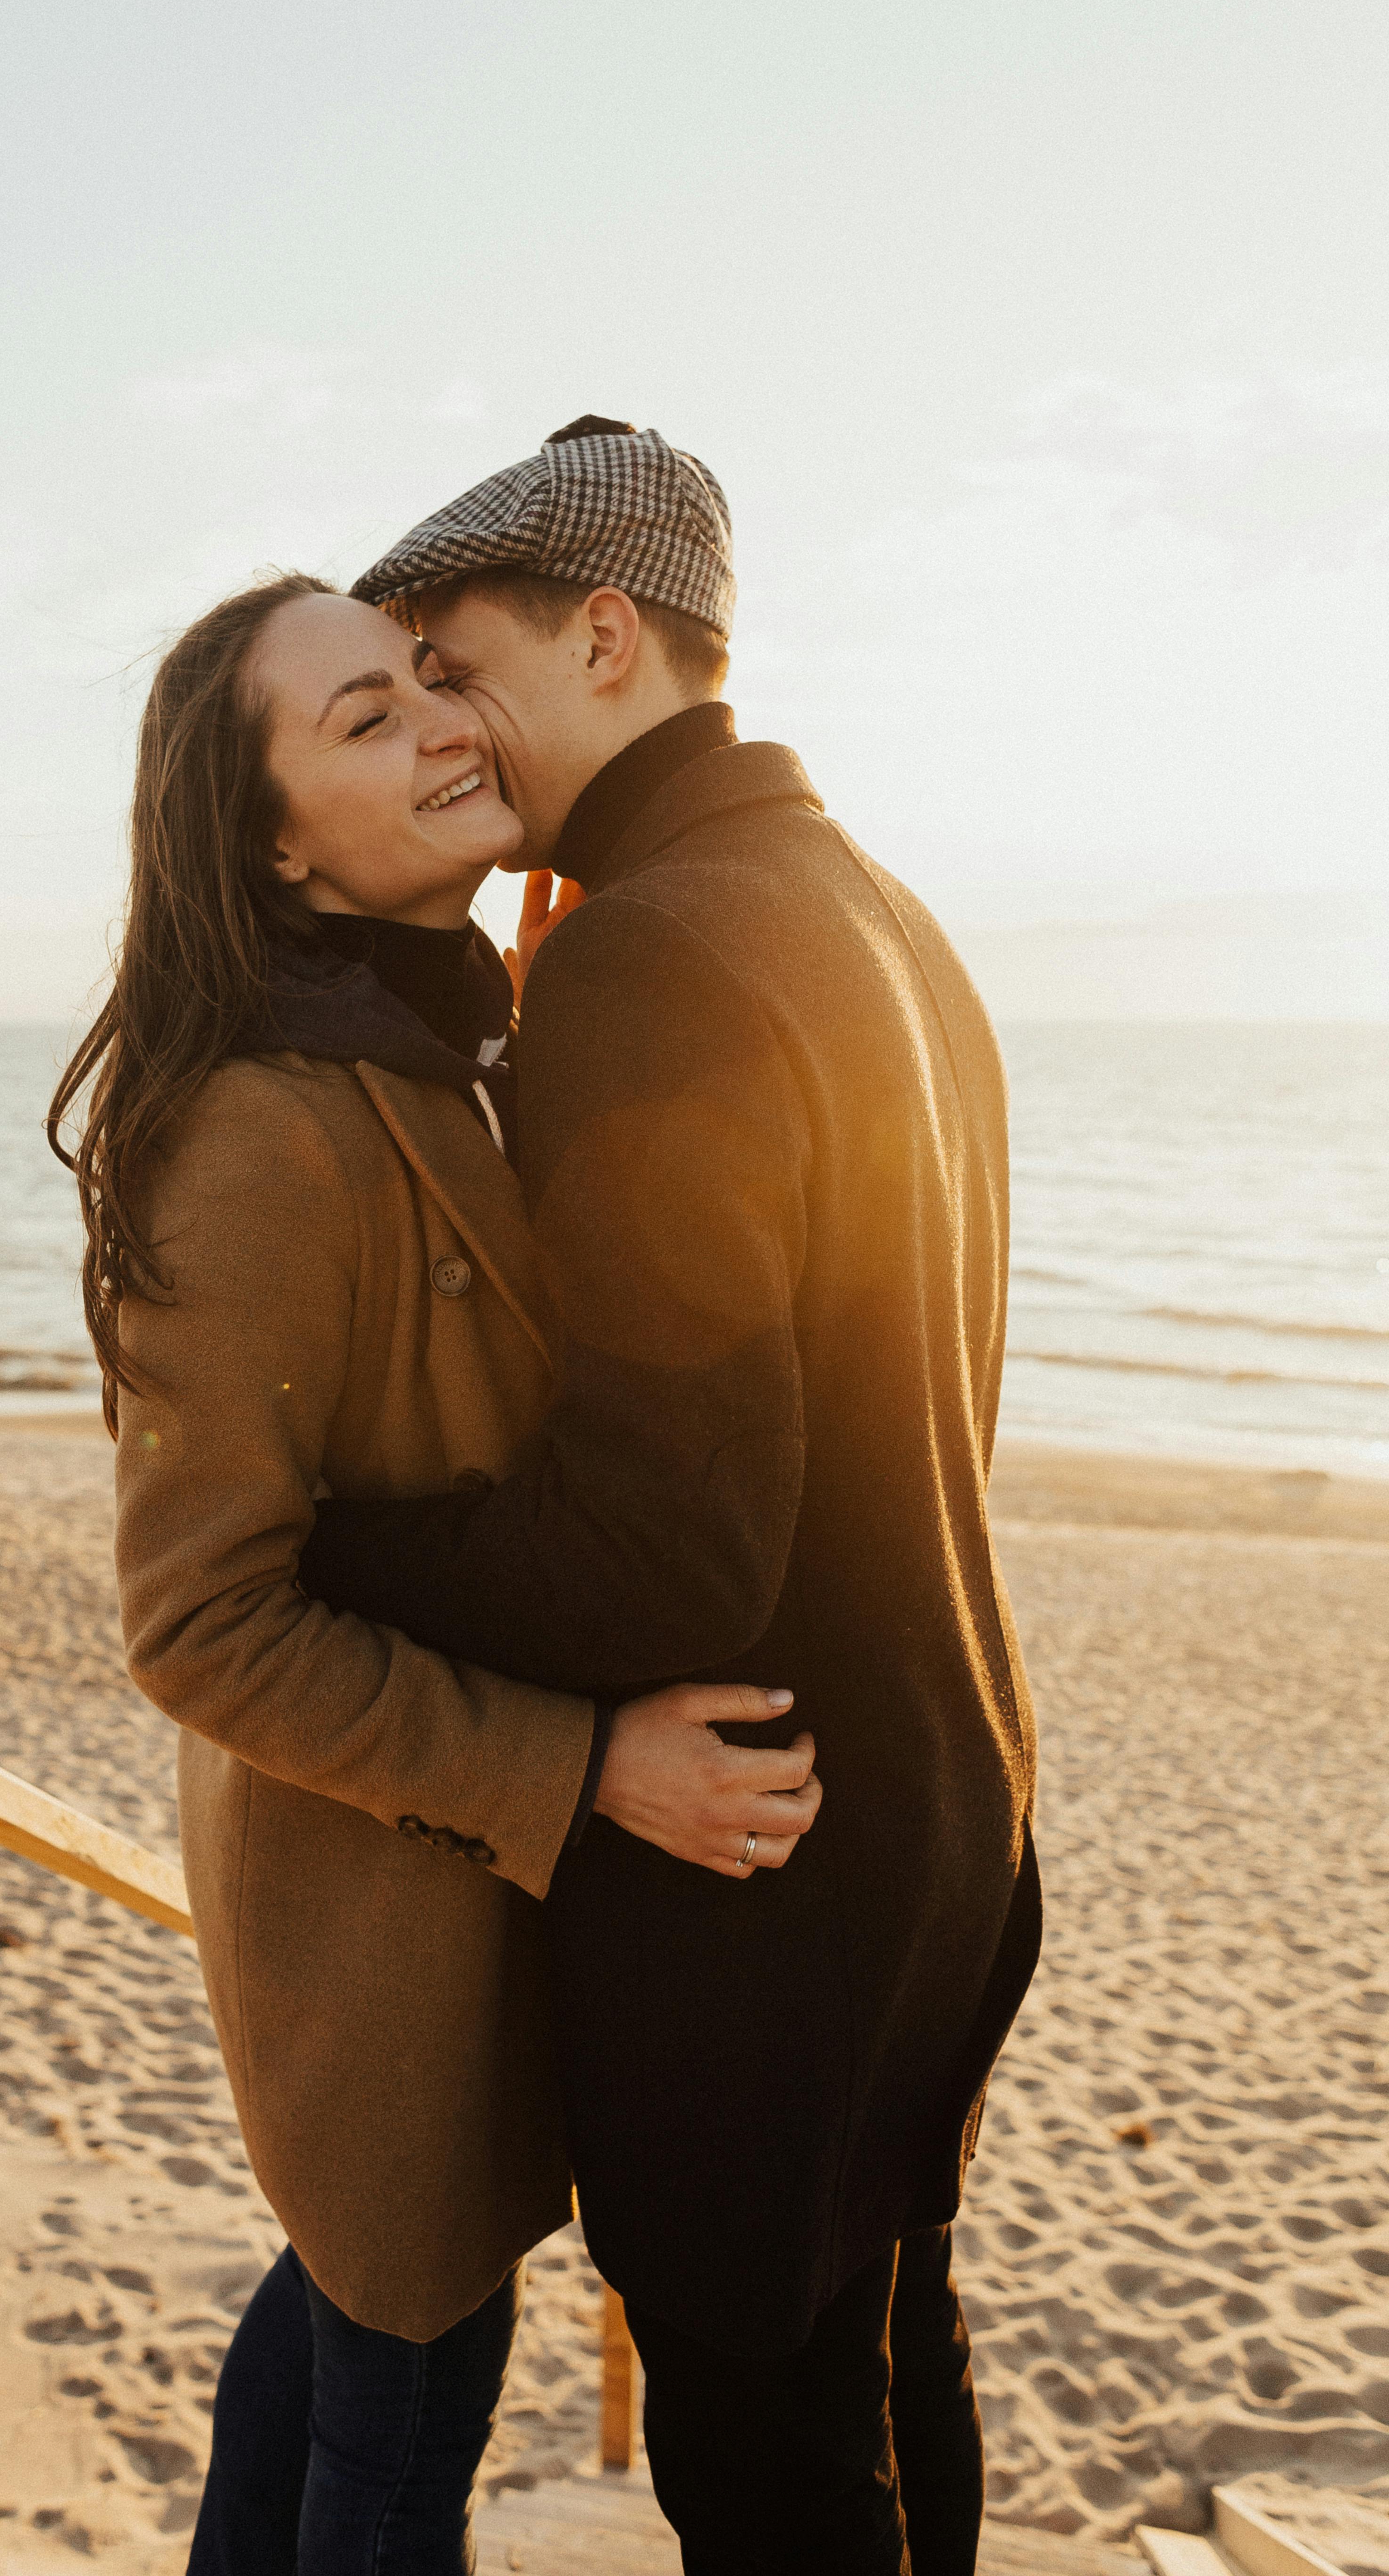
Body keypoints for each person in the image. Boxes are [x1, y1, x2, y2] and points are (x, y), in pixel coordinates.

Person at [295, 417, 1044, 2575]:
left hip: (770, 1880)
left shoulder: (646, 951)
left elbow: (665, 1546)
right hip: (950, 1821)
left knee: (781, 2483)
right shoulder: (880, 911)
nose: (435, 721)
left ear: (606, 637)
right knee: (896, 2373)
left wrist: (329, 1538)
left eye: (451, 662)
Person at [46, 570, 823, 2576]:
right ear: (275, 842)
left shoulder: (431, 1041)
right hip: (389, 1953)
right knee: (396, 2454)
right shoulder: (257, 1135)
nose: (439, 730)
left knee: (330, 2356)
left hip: (463, 1943)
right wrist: (584, 1771)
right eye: (364, 724)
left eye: (421, 688)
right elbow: (199, 1621)